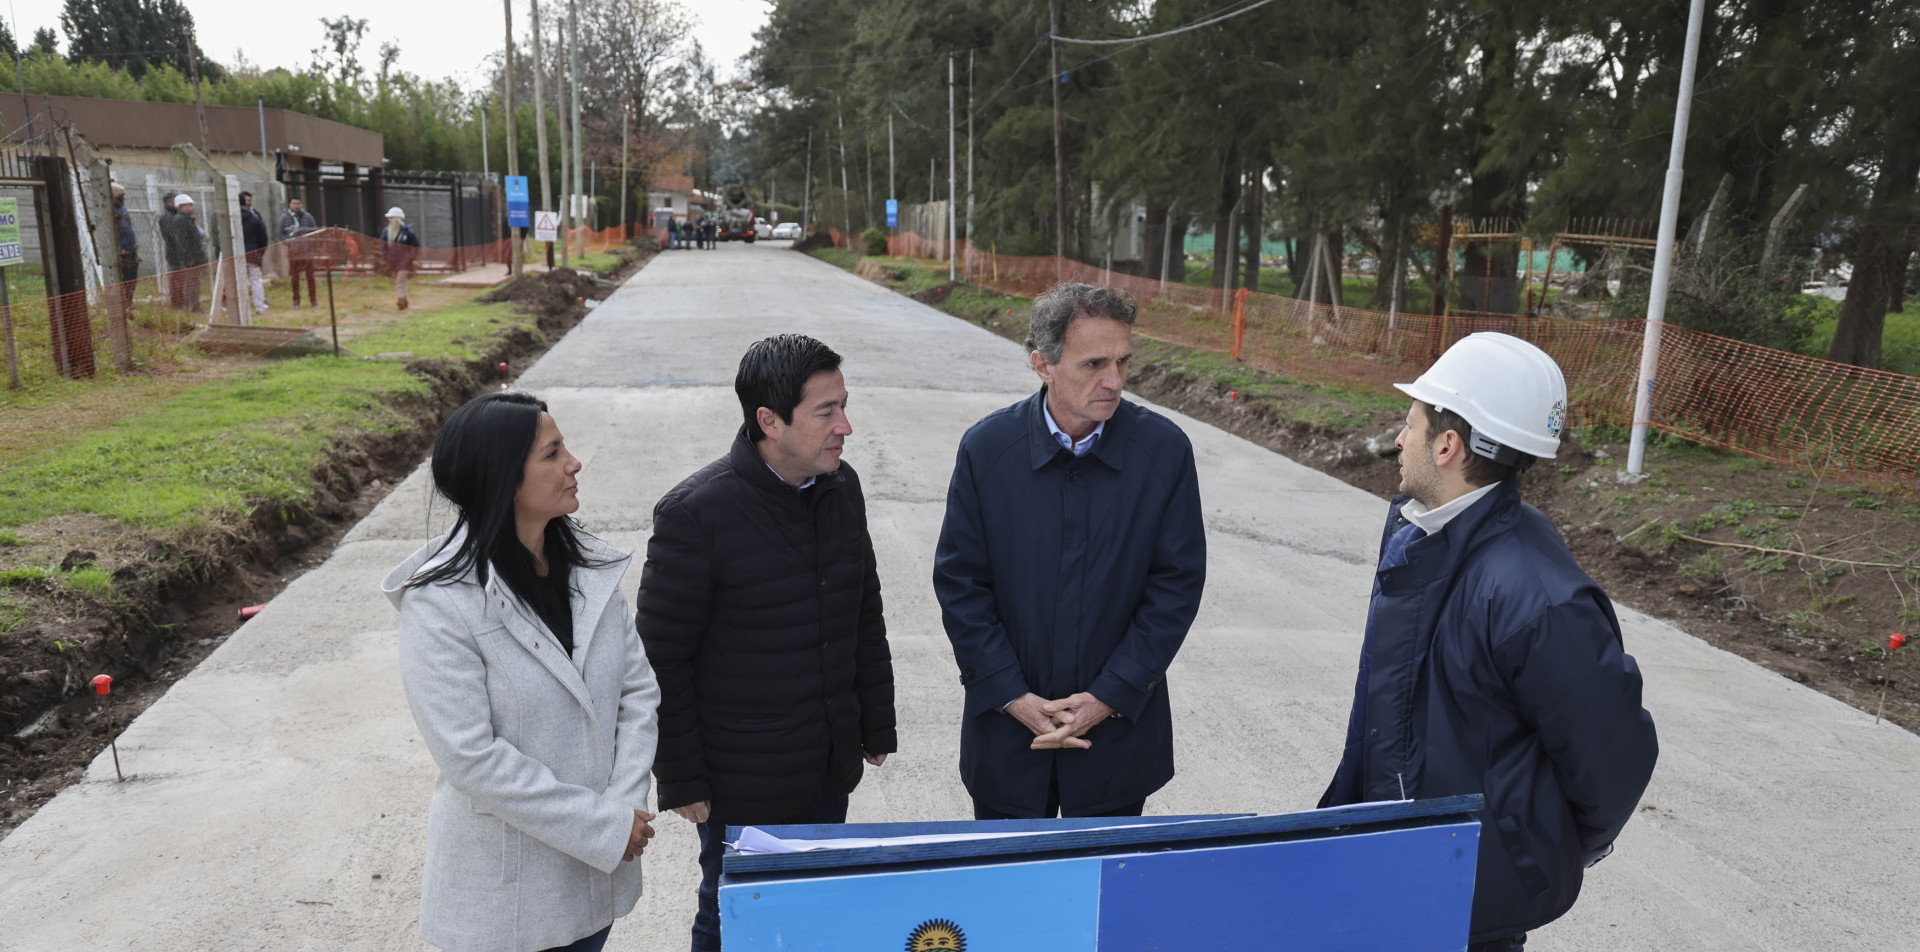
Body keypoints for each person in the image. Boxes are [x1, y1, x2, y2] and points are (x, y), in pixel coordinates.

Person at [1320, 332, 1659, 951]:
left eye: (1411, 424)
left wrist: (1529, 847)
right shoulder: (1421, 533)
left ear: (1447, 445)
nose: (1399, 439)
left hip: (1470, 895)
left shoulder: (1535, 596)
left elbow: (1613, 753)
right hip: (1398, 862)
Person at [636, 334, 896, 952]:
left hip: (827, 760)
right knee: (731, 915)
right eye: (826, 412)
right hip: (741, 778)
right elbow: (660, 658)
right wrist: (681, 778)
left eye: (844, 406)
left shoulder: (841, 488)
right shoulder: (696, 514)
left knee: (808, 910)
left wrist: (875, 724)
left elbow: (863, 607)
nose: (845, 427)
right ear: (768, 421)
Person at [383, 390, 662, 952]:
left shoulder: (591, 574)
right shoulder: (441, 602)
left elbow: (638, 692)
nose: (574, 463)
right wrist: (601, 827)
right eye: (553, 453)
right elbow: (470, 755)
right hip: (508, 897)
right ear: (503, 477)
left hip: (594, 878)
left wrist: (624, 807)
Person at [934, 283, 1206, 821]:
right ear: (1043, 364)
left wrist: (1110, 695)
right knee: (1008, 890)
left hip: (1117, 738)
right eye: (1094, 364)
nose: (1115, 382)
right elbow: (961, 585)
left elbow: (1175, 585)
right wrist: (1012, 695)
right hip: (1009, 737)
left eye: (1123, 362)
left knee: (1101, 894)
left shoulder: (1164, 452)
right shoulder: (987, 451)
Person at [159, 193, 207, 312]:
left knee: (193, 282)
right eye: (189, 205)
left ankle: (191, 304)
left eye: (192, 205)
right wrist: (187, 258)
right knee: (187, 282)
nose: (192, 208)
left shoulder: (186, 219)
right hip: (185, 257)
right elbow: (181, 241)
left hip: (193, 256)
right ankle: (189, 305)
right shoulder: (178, 220)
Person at [379, 206, 423, 310]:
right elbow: (383, 246)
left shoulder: (407, 232)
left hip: (405, 262)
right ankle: (404, 300)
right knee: (399, 282)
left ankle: (400, 300)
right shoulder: (386, 232)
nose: (389, 220)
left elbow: (415, 246)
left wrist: (410, 258)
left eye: (390, 217)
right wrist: (386, 258)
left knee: (400, 281)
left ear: (395, 219)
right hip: (393, 262)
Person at [279, 197, 320, 307]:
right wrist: (289, 243)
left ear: (301, 204)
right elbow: (281, 233)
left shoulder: (308, 217)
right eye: (294, 203)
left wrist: (311, 246)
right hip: (293, 252)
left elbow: (315, 232)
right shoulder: (284, 217)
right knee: (295, 277)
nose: (296, 205)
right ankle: (296, 300)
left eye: (298, 203)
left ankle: (313, 300)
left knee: (310, 276)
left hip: (307, 251)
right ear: (290, 204)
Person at [239, 190, 270, 313]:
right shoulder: (254, 217)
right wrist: (260, 252)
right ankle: (260, 307)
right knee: (256, 280)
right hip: (253, 253)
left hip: (237, 254)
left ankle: (242, 309)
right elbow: (263, 237)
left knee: (239, 282)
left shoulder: (231, 218)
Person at [111, 183, 139, 313]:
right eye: (121, 195)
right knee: (124, 279)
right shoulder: (112, 212)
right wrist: (120, 248)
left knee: (131, 279)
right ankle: (122, 304)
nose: (124, 197)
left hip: (130, 248)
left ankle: (128, 301)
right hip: (122, 251)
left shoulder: (122, 209)